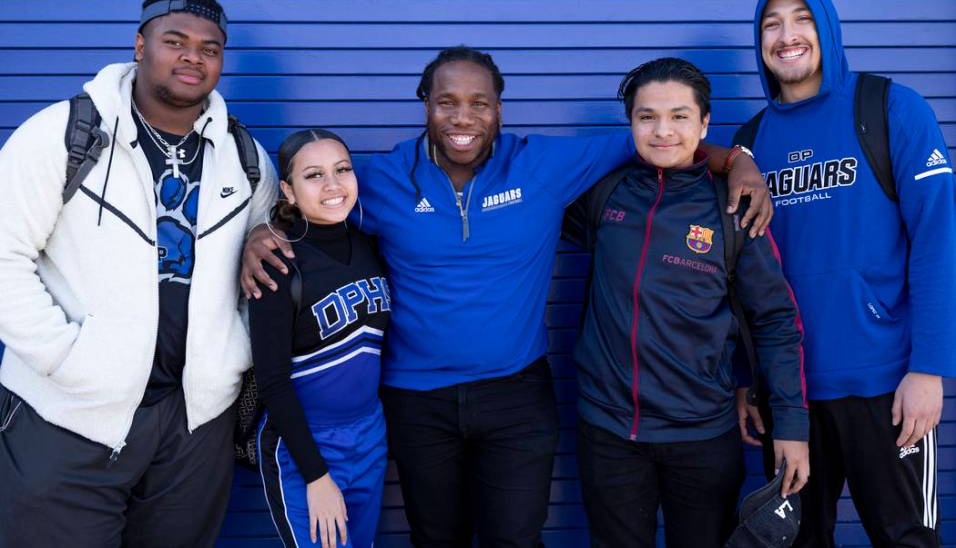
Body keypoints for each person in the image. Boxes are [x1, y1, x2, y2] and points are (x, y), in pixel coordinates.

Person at [242, 45, 774, 548]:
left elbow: (660, 140)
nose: (463, 118)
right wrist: (262, 231)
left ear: (500, 109)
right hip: (417, 399)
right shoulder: (380, 179)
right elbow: (316, 201)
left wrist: (739, 160)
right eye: (447, 102)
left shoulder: (541, 164)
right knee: (436, 538)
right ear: (425, 104)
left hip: (517, 395)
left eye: (480, 103)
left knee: (515, 538)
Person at [0, 0, 277, 547]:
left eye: (209, 48)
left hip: (194, 420)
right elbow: (4, 256)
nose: (192, 57)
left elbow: (272, 255)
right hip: (70, 413)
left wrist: (235, 355)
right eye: (174, 41)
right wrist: (66, 359)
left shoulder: (245, 157)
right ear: (139, 45)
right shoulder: (63, 135)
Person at [735, 0, 956, 548]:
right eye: (771, 24)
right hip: (791, 397)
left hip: (888, 385)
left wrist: (930, 366)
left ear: (828, 28)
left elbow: (938, 240)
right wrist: (744, 380)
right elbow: (736, 276)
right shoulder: (750, 143)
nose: (787, 36)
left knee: (907, 539)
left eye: (802, 19)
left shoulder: (889, 108)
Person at [563, 57, 809, 548]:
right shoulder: (601, 192)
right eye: (646, 117)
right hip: (610, 434)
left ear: (704, 123)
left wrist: (792, 426)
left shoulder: (735, 206)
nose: (662, 131)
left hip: (702, 436)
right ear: (630, 124)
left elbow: (776, 320)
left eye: (679, 116)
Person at [251, 129, 389, 548]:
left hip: (370, 436)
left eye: (342, 169)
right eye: (314, 175)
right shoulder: (277, 261)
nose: (333, 185)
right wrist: (316, 475)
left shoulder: (372, 245)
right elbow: (272, 382)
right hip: (305, 446)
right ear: (288, 191)